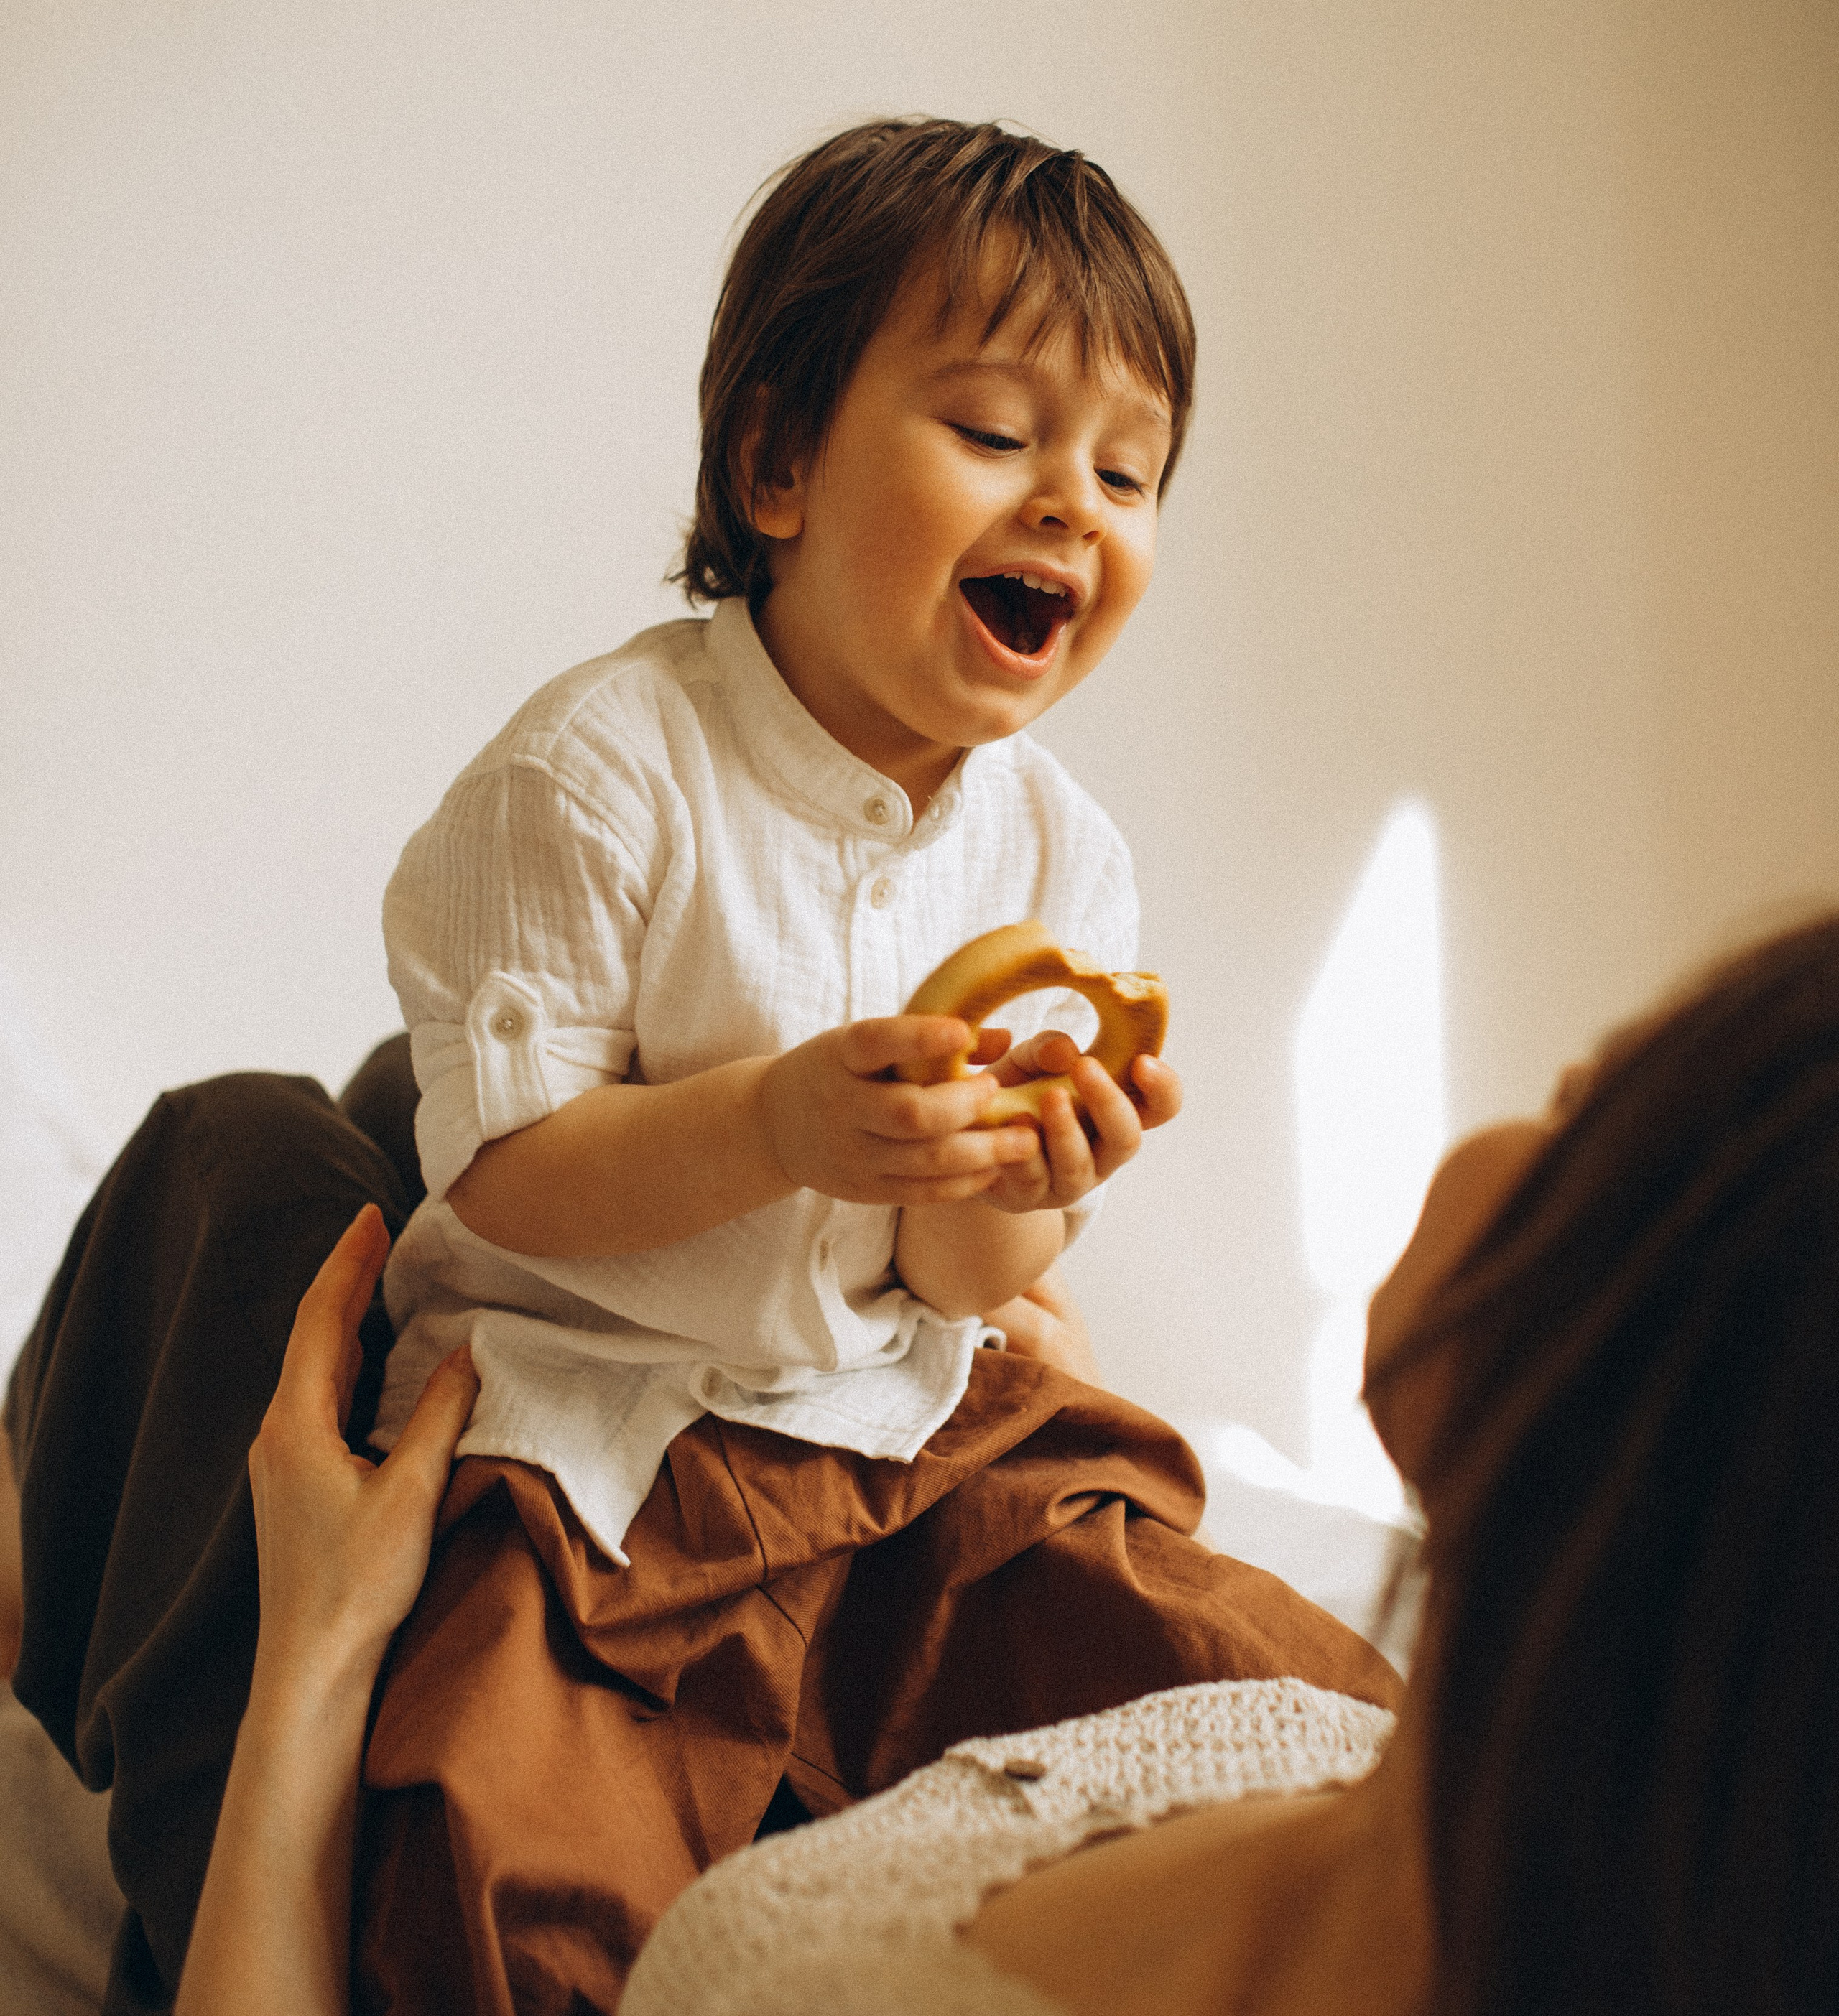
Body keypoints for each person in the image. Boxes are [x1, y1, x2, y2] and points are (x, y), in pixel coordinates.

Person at [5, 119, 1396, 2015]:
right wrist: (772, 1118)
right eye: (995, 434)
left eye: (1128, 469)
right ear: (777, 461)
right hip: (606, 1436)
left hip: (890, 1426)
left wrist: (1027, 1188)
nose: (1073, 501)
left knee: (1238, 1672)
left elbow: (962, 1285)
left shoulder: (1064, 854)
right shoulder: (601, 773)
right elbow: (499, 1171)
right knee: (502, 1861)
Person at [170, 909, 1839, 2015]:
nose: (1524, 1107)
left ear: (1638, 1415)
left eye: (1582, 1108)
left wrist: (312, 1658)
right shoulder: (1343, 1718)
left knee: (239, 1156)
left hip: (438, 1814)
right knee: (436, 1106)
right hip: (846, 1572)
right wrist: (1012, 1417)